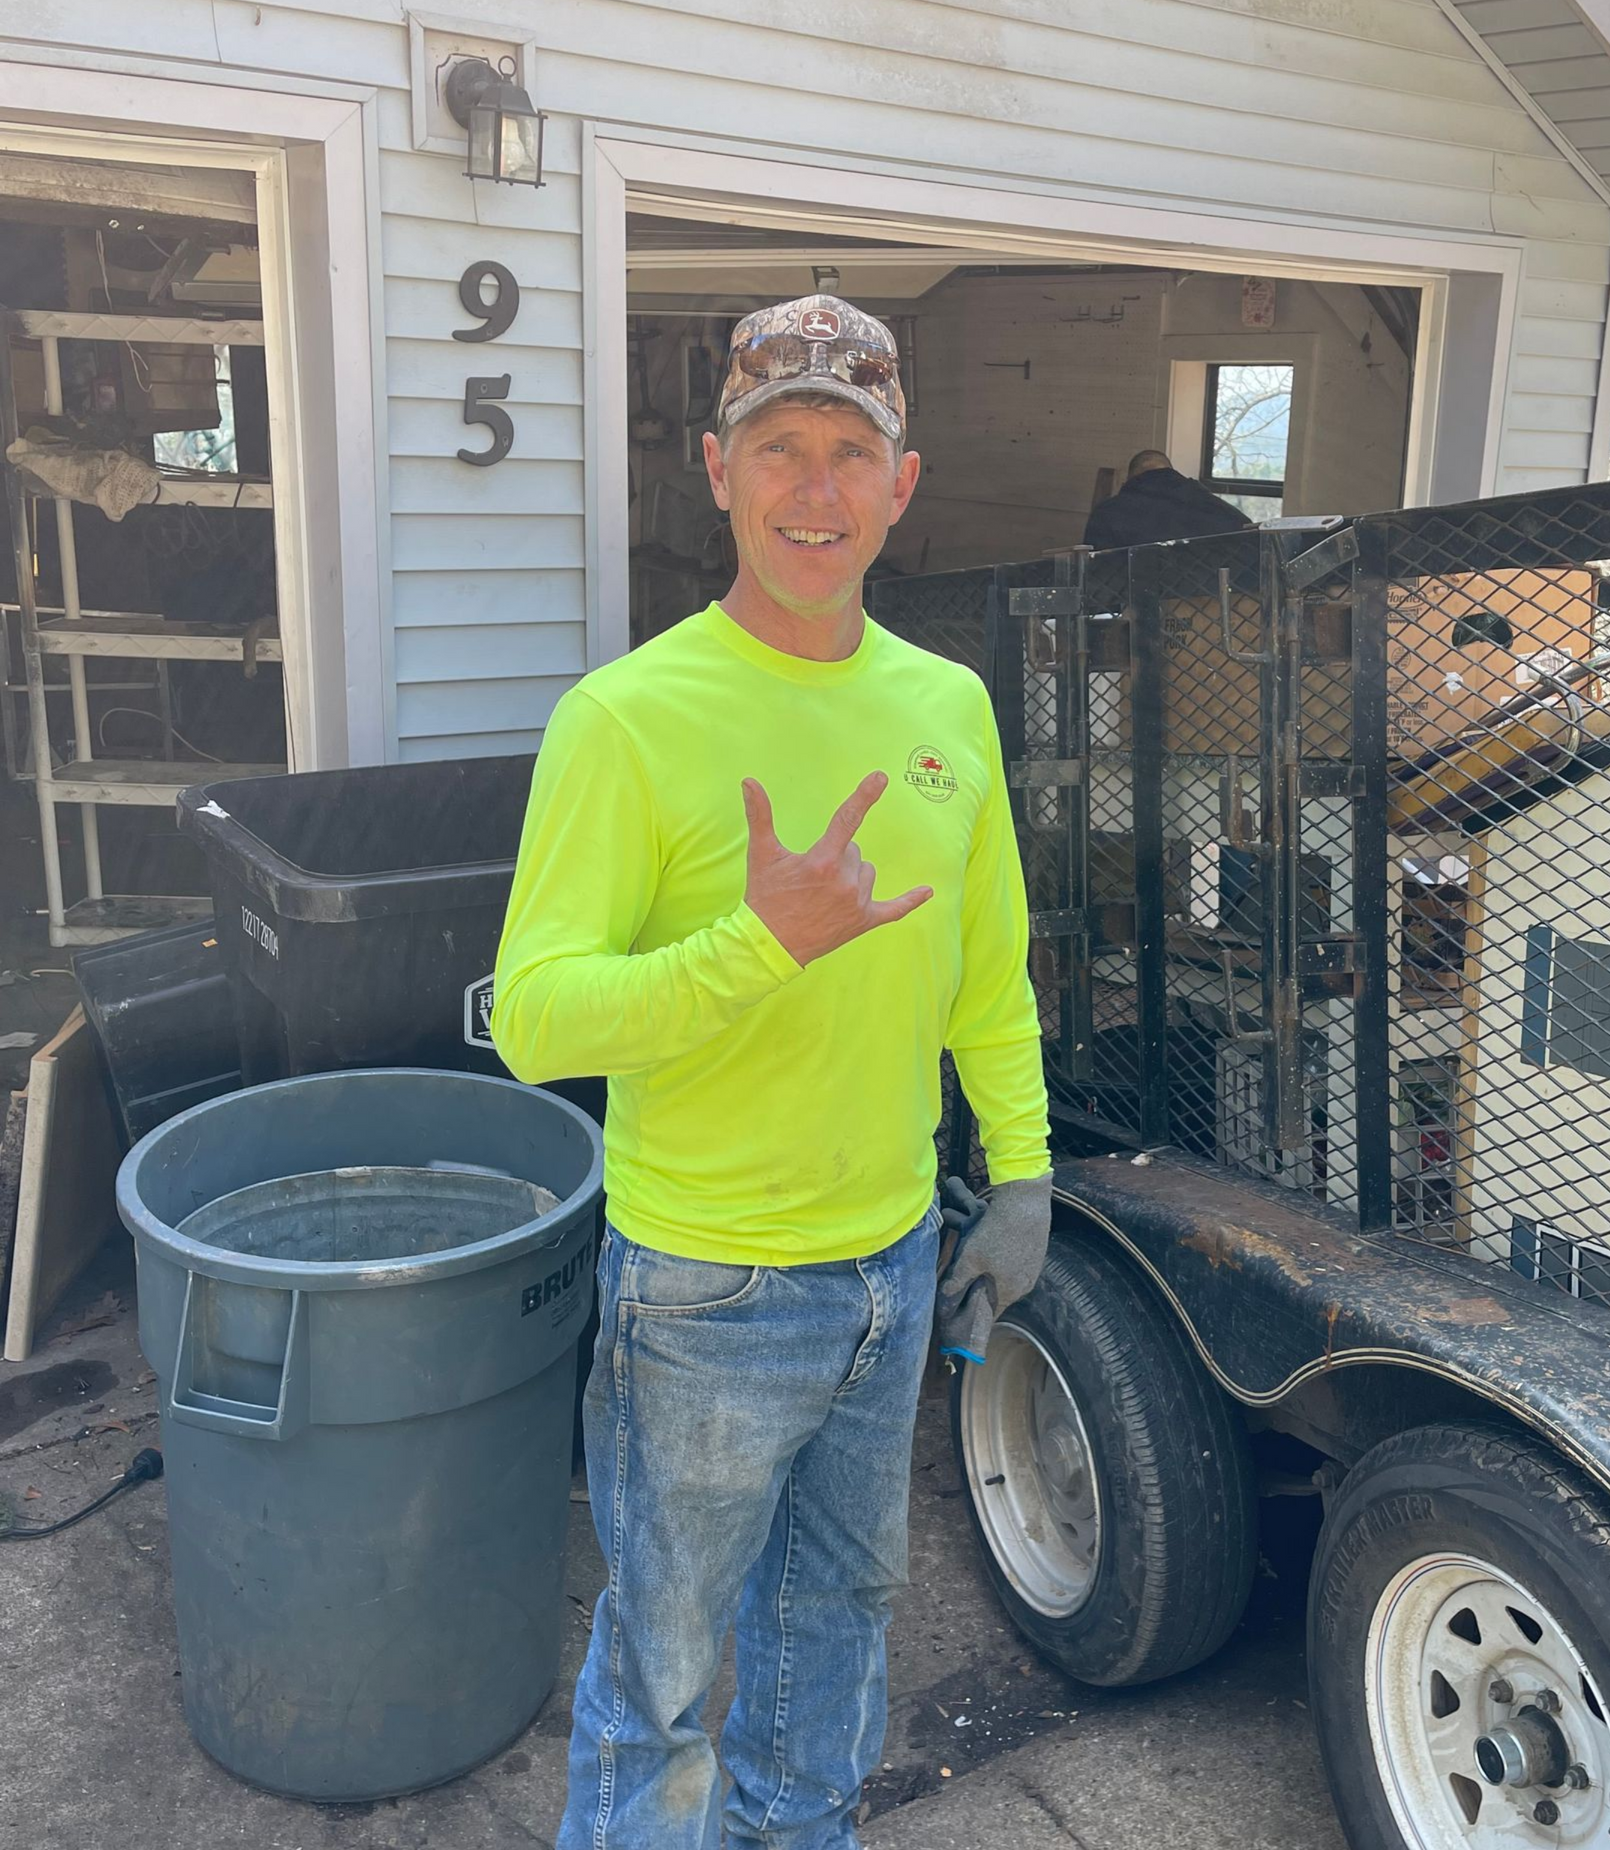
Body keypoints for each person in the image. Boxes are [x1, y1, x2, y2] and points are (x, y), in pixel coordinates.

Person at [491, 293, 1053, 1850]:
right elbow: (536, 1018)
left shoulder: (950, 709)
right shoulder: (625, 720)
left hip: (893, 1261)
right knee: (664, 1677)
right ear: (718, 474)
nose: (817, 488)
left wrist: (1024, 1179)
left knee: (839, 1637)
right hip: (705, 1289)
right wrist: (759, 943)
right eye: (781, 450)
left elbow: (987, 975)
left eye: (849, 451)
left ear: (903, 482)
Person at [1082, 447, 1255, 549]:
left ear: (1129, 479)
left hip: (1142, 603)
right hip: (1222, 603)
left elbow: (1096, 573)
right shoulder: (1218, 508)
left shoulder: (1109, 513)